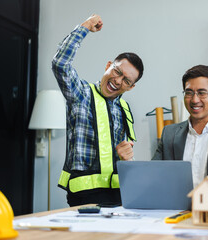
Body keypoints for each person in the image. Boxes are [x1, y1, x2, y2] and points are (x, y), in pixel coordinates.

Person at [52, 14, 144, 207]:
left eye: (126, 80)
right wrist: (84, 27)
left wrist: (128, 157)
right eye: (117, 72)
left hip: (119, 195)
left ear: (130, 87)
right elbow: (60, 64)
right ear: (108, 66)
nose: (118, 80)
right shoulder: (81, 94)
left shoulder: (124, 109)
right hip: (85, 196)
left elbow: (122, 157)